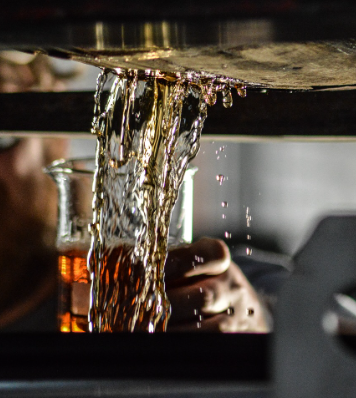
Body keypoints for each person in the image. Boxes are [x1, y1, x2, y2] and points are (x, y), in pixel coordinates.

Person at [0, 52, 274, 332]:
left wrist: (253, 316)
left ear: (54, 141)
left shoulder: (153, 277)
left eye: (2, 137)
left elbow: (304, 299)